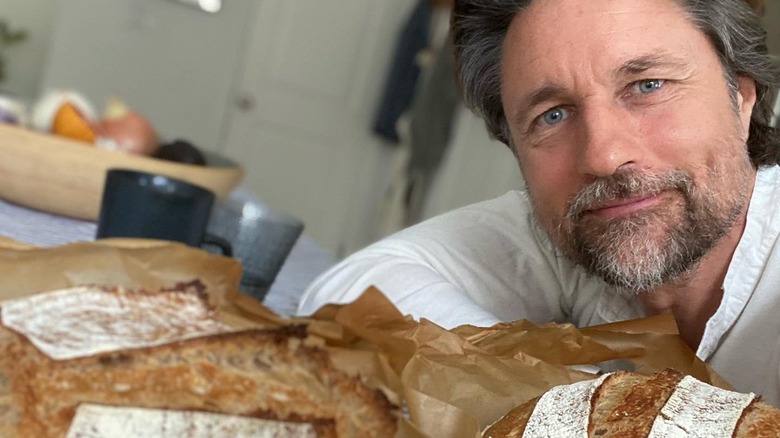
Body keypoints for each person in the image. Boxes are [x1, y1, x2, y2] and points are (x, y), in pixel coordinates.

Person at [297, 0, 780, 403]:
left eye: (647, 86)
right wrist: (590, 407)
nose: (604, 155)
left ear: (741, 97)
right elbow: (351, 291)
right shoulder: (580, 225)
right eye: (552, 115)